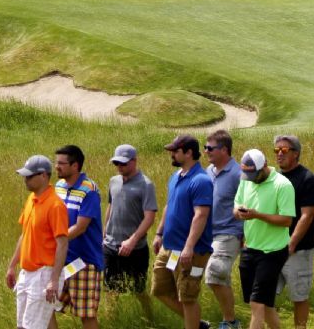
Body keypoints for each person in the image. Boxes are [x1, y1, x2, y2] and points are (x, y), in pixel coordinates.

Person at [151, 135, 213, 329]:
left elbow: (201, 215)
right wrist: (159, 233)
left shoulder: (201, 180)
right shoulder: (176, 176)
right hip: (169, 248)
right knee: (159, 290)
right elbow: (169, 206)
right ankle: (197, 324)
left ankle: (193, 324)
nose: (171, 154)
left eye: (175, 151)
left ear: (188, 153)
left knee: (187, 296)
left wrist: (189, 247)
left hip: (193, 253)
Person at [234, 149, 295, 329]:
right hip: (250, 247)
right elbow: (236, 205)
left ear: (264, 166)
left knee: (257, 303)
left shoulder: (282, 185)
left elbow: (286, 220)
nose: (250, 178)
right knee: (266, 306)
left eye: (253, 174)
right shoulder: (246, 180)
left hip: (273, 251)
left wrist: (257, 215)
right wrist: (239, 213)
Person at [9, 156, 70, 329]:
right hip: (26, 273)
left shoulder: (56, 205)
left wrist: (54, 280)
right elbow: (24, 235)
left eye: (29, 176)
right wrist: (12, 265)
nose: (25, 180)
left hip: (44, 274)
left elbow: (62, 243)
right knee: (22, 326)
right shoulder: (31, 200)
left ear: (43, 176)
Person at [53, 146, 103, 329]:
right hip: (62, 259)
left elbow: (81, 227)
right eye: (55, 162)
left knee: (85, 314)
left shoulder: (88, 190)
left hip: (84, 262)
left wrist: (56, 242)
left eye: (61, 163)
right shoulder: (58, 187)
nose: (56, 166)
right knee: (46, 307)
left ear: (75, 166)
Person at [103, 146, 157, 316]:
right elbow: (111, 207)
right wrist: (104, 234)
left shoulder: (146, 185)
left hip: (135, 249)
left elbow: (149, 217)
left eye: (123, 163)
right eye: (116, 163)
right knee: (111, 290)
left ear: (134, 161)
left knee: (138, 290)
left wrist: (132, 240)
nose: (119, 166)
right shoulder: (113, 181)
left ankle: (150, 321)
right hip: (111, 246)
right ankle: (112, 322)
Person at [272, 135, 314, 329]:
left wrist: (291, 244)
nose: (279, 154)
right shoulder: (274, 178)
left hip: (298, 249)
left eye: (284, 150)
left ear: (296, 153)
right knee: (264, 295)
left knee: (299, 296)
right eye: (276, 150)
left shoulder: (307, 179)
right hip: (272, 247)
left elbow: (307, 216)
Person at [203, 131, 242, 329]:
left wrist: (245, 234)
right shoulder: (207, 171)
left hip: (229, 232)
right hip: (207, 234)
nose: (206, 151)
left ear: (224, 150)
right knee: (213, 276)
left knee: (214, 273)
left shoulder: (238, 173)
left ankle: (230, 322)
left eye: (210, 148)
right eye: (205, 147)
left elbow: (247, 205)